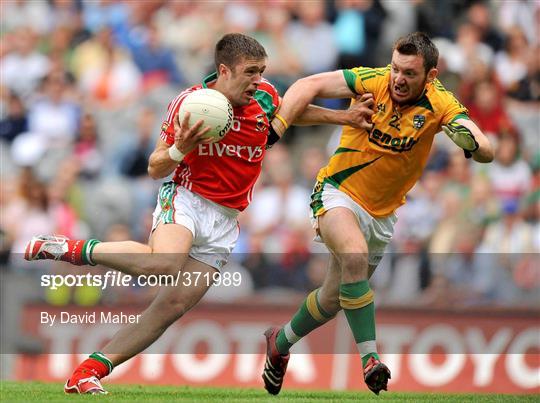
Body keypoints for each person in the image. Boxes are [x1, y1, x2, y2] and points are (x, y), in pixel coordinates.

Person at [23, 33, 374, 395]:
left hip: (225, 221)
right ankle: (67, 248)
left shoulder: (264, 95)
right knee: (163, 264)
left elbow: (289, 111)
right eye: (250, 72)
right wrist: (181, 148)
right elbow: (155, 167)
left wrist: (343, 116)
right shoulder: (191, 105)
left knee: (170, 307)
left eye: (262, 71)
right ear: (224, 70)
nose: (259, 79)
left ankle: (86, 372)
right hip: (188, 198)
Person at [261, 32, 494, 396]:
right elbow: (307, 85)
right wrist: (277, 129)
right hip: (337, 192)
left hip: (382, 216)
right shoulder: (372, 80)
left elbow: (486, 149)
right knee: (352, 255)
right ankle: (370, 359)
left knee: (333, 299)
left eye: (409, 73)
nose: (398, 78)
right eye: (396, 68)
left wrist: (471, 142)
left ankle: (280, 342)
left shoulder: (440, 103)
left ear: (430, 76)